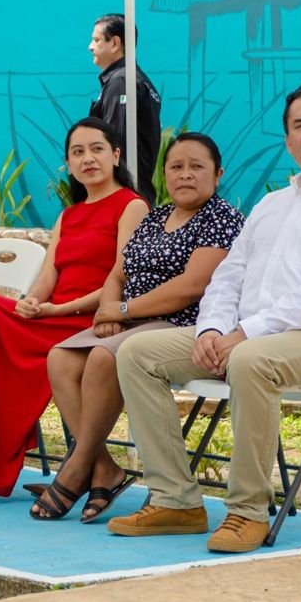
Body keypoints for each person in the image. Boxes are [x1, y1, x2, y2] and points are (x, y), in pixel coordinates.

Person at [108, 84, 301, 554]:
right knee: (137, 352)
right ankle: (176, 500)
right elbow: (229, 276)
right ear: (288, 141)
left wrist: (245, 334)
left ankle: (247, 511)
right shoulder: (271, 205)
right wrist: (212, 329)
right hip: (245, 335)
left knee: (250, 360)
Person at [0, 117, 148, 502]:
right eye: (78, 152)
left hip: (91, 322)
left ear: (116, 156)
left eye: (97, 149)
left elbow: (119, 280)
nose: (88, 158)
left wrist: (57, 310)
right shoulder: (70, 215)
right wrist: (32, 301)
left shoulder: (131, 206)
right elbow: (49, 274)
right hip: (52, 317)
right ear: (68, 164)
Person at [31, 132, 243, 522]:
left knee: (101, 358)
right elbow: (118, 272)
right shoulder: (157, 216)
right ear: (165, 174)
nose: (185, 174)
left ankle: (76, 468)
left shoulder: (221, 218)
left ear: (218, 174)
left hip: (181, 324)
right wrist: (111, 310)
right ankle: (102, 468)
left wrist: (123, 310)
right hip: (131, 320)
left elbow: (191, 287)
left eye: (196, 166)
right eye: (176, 166)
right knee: (60, 358)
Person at [89, 13, 162, 204]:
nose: (90, 47)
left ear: (115, 43)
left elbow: (116, 140)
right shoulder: (138, 80)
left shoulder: (122, 82)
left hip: (124, 194)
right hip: (136, 191)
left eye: (96, 40)